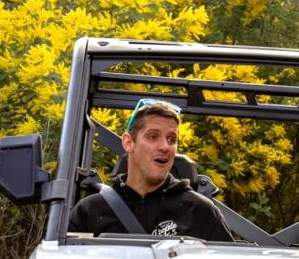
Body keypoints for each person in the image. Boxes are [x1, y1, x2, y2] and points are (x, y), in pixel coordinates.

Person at [69, 98, 234, 241]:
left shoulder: (201, 212)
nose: (164, 147)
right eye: (153, 136)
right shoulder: (89, 211)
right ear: (128, 143)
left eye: (171, 139)